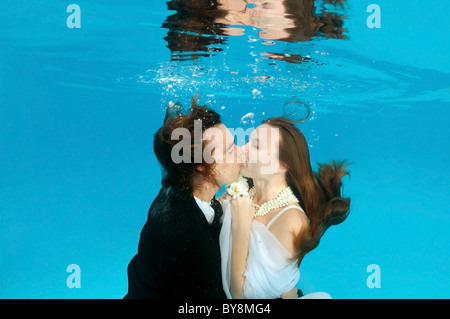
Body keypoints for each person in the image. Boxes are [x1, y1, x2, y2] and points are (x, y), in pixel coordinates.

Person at [219, 116, 351, 299]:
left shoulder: (291, 220)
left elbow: (242, 296)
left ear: (282, 165)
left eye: (256, 146)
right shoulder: (244, 189)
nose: (243, 149)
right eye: (249, 141)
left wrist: (241, 227)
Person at [125, 99, 242, 298]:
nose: (242, 152)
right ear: (201, 167)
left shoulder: (178, 186)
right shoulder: (189, 240)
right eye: (230, 150)